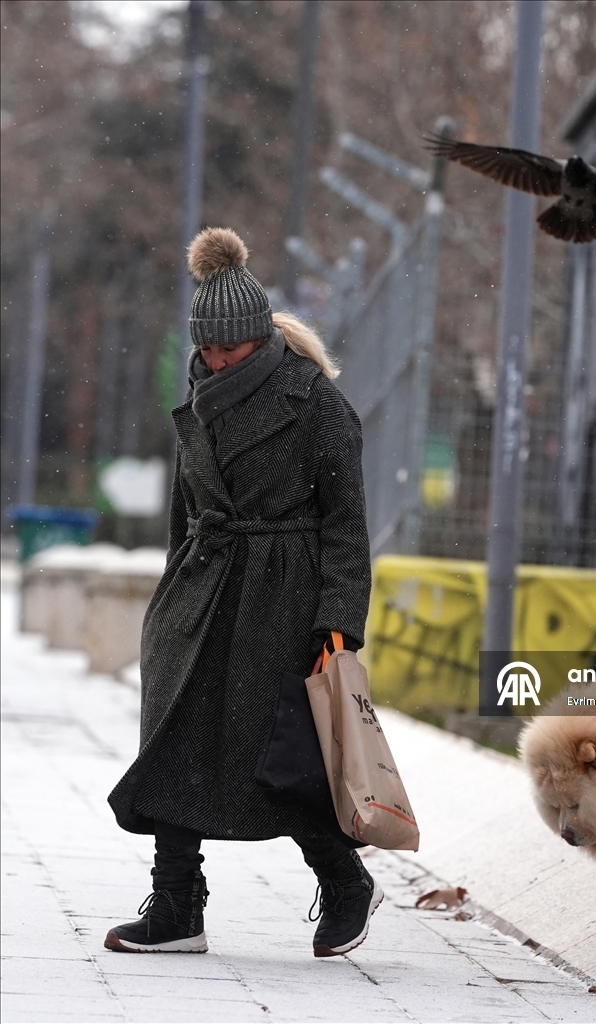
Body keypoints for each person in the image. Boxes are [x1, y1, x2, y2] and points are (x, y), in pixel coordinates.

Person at [106, 226, 379, 958]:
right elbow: (184, 508)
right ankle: (176, 907)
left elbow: (347, 527)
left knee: (283, 756)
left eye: (231, 348)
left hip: (281, 599)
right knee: (173, 745)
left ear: (259, 338)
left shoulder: (315, 403)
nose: (218, 359)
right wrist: (174, 591)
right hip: (199, 592)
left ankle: (346, 882)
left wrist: (339, 622)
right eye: (210, 348)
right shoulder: (198, 394)